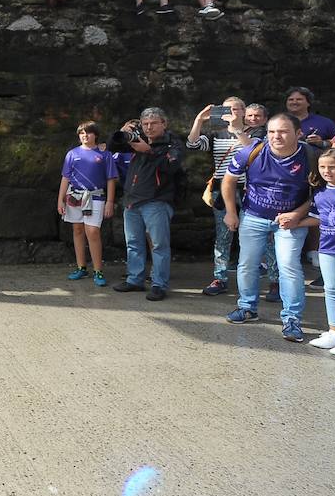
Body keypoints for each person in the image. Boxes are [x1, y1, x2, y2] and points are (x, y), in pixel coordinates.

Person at [221, 113, 315, 341]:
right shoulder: (251, 152)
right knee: (247, 264)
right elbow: (228, 180)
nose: (276, 136)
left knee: (289, 266)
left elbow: (318, 194)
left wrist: (296, 215)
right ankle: (247, 307)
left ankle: (292, 319)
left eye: (283, 131)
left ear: (298, 133)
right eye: (272, 131)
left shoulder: (310, 156)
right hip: (253, 216)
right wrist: (231, 212)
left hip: (291, 221)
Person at [112, 109, 184, 301]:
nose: (149, 127)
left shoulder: (172, 143)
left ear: (164, 124)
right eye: (145, 124)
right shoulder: (137, 141)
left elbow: (171, 167)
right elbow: (112, 147)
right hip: (132, 200)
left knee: (159, 245)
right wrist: (123, 132)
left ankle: (159, 284)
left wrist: (149, 152)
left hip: (157, 201)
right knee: (133, 243)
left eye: (153, 123)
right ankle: (135, 279)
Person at [188, 98, 255, 296]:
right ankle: (220, 278)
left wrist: (237, 130)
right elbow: (192, 145)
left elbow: (253, 152)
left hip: (248, 189)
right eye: (227, 109)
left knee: (256, 235)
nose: (232, 112)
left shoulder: (256, 131)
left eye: (236, 109)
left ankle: (270, 280)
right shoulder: (215, 134)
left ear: (244, 111)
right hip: (221, 189)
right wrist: (199, 120)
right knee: (223, 236)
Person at [298, 149, 335, 355]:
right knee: (331, 289)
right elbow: (318, 217)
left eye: (332, 166)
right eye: (322, 167)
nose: (326, 171)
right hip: (327, 247)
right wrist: (294, 222)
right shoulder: (320, 193)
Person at [58, 122, 117, 286]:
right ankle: (81, 267)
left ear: (95, 135)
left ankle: (98, 270)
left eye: (89, 133)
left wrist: (110, 202)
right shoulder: (72, 154)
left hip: (96, 196)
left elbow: (111, 179)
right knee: (77, 230)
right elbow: (65, 178)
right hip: (74, 196)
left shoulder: (105, 155)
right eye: (82, 133)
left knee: (92, 232)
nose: (85, 135)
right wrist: (60, 199)